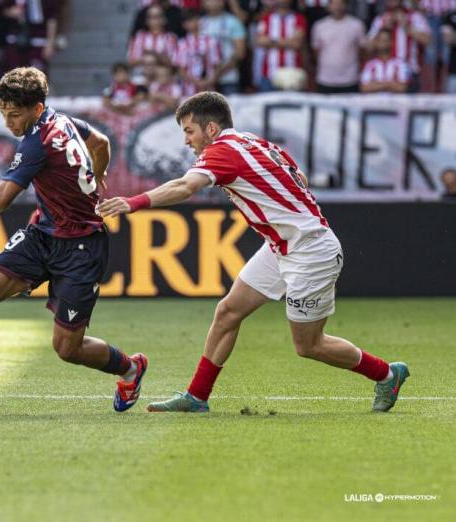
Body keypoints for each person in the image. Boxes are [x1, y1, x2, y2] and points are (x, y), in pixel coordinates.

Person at [97, 91, 409, 413]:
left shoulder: (223, 151)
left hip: (310, 251)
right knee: (228, 312)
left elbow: (184, 187)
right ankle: (196, 397)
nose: (187, 141)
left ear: (212, 129)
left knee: (309, 345)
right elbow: (298, 177)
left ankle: (387, 374)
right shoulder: (254, 142)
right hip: (281, 247)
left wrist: (133, 202)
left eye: (189, 132)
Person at [0, 67, 148, 412]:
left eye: (15, 114)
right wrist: (98, 174)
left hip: (82, 247)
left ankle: (132, 368)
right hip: (42, 234)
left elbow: (0, 199)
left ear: (37, 109)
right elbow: (100, 143)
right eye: (4, 113)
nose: (9, 122)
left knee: (67, 349)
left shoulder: (36, 143)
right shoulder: (65, 121)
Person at [366, 0, 430, 92]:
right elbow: (369, 47)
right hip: (385, 74)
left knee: (411, 106)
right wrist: (383, 28)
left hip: (410, 73)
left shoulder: (415, 17)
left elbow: (427, 40)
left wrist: (406, 26)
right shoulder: (380, 19)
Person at [311, 0, 365, 93]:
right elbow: (316, 52)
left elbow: (361, 50)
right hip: (325, 79)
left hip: (350, 79)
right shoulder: (319, 26)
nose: (338, 7)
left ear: (346, 6)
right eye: (334, 4)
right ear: (328, 6)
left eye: (341, 4)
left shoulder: (357, 25)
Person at [256, 0, 307, 92]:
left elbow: (296, 44)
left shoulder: (299, 18)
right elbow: (260, 41)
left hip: (292, 75)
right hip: (269, 74)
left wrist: (270, 40)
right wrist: (288, 41)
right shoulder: (266, 18)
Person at [200, 0, 246, 95]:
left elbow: (240, 52)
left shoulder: (233, 21)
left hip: (229, 78)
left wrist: (218, 73)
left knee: (230, 109)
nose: (213, 2)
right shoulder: (200, 23)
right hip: (204, 81)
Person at [176, 8, 222, 95]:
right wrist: (196, 82)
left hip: (209, 87)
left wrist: (209, 81)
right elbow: (181, 69)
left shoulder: (212, 41)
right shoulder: (182, 43)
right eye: (190, 21)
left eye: (196, 19)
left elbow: (217, 65)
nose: (194, 22)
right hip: (188, 89)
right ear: (184, 25)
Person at [360, 28, 409, 93]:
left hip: (395, 102)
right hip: (374, 102)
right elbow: (364, 88)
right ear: (376, 42)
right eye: (380, 40)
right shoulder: (370, 64)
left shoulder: (401, 64)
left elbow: (403, 88)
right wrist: (389, 84)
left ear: (391, 42)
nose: (382, 43)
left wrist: (376, 84)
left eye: (385, 40)